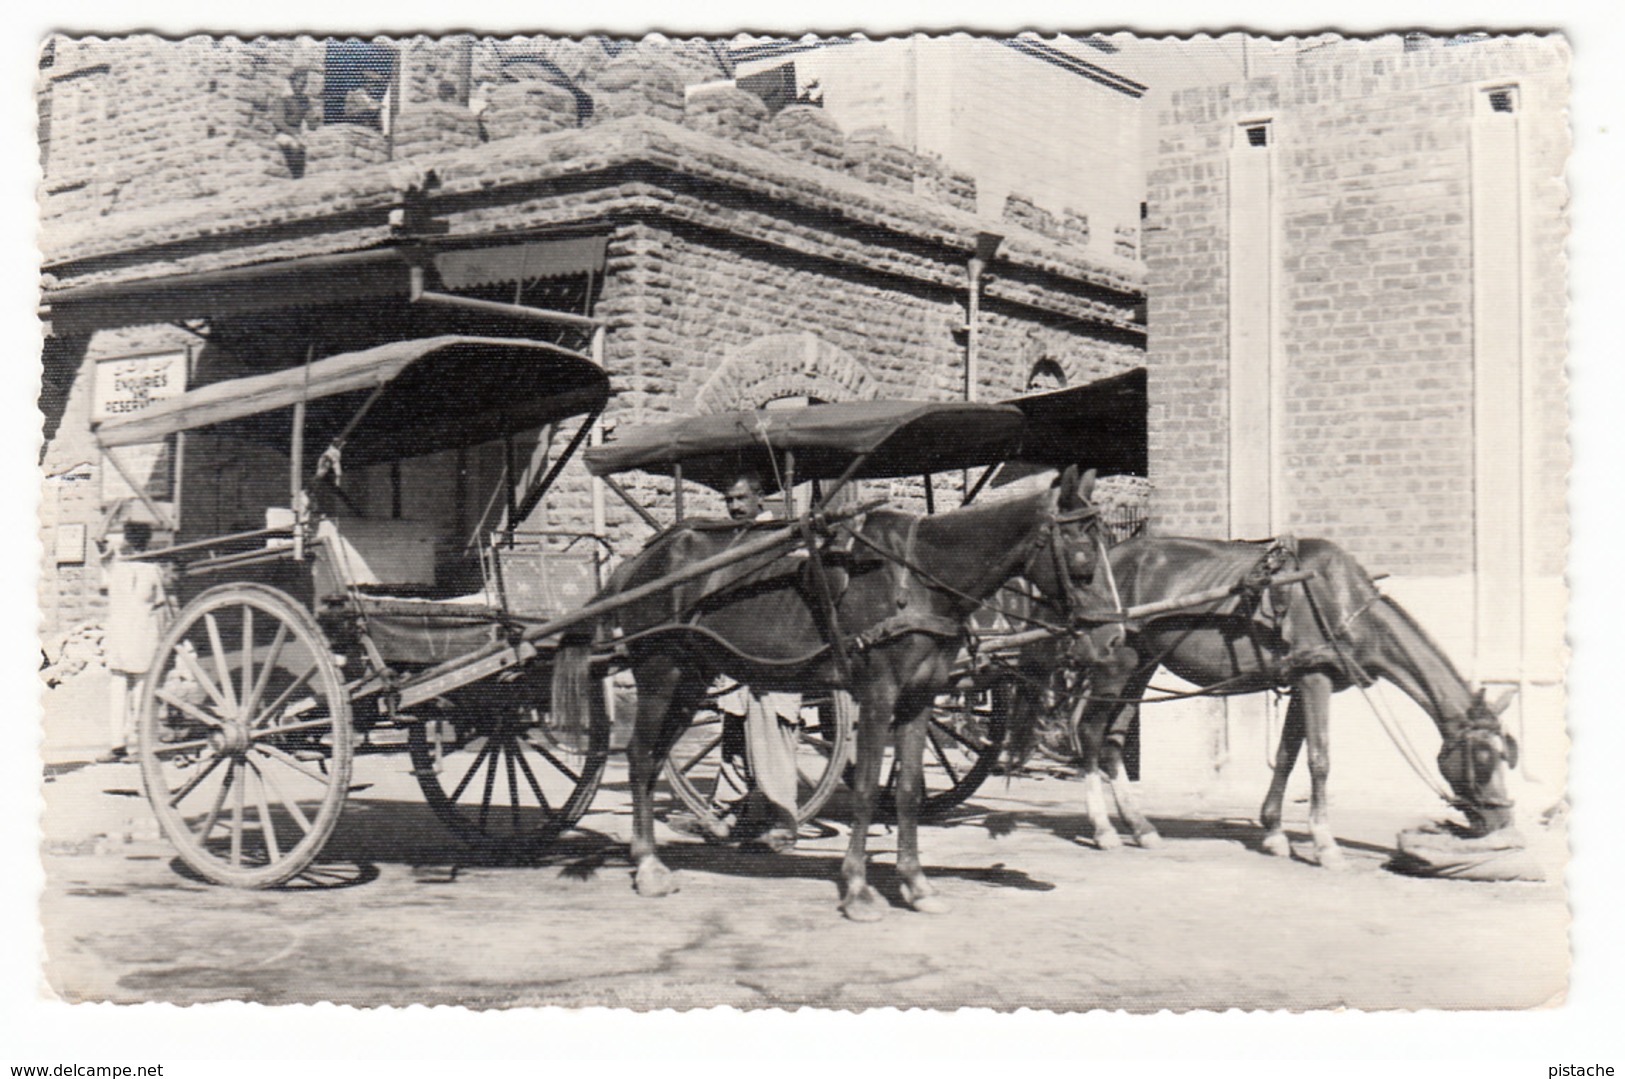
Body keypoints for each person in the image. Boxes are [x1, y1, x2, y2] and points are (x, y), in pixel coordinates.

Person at [673, 472, 803, 851]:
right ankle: (728, 815)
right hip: (740, 648)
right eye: (729, 500)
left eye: (741, 499)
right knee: (735, 727)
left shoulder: (776, 534)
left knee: (770, 730)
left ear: (760, 499)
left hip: (772, 647)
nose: (734, 507)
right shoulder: (738, 537)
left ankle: (781, 825)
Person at [96, 518, 172, 763]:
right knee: (141, 690)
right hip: (141, 634)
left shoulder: (115, 565)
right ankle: (139, 745)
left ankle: (119, 744)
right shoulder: (152, 569)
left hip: (124, 634)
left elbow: (102, 547)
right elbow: (160, 604)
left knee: (119, 690)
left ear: (127, 540)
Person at [271, 66, 323, 179]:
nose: (301, 86)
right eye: (299, 82)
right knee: (295, 146)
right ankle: (296, 177)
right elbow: (278, 122)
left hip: (298, 134)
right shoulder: (283, 100)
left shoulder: (304, 101)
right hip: (284, 134)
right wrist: (294, 133)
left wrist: (316, 119)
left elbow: (311, 123)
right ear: (292, 82)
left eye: (304, 83)